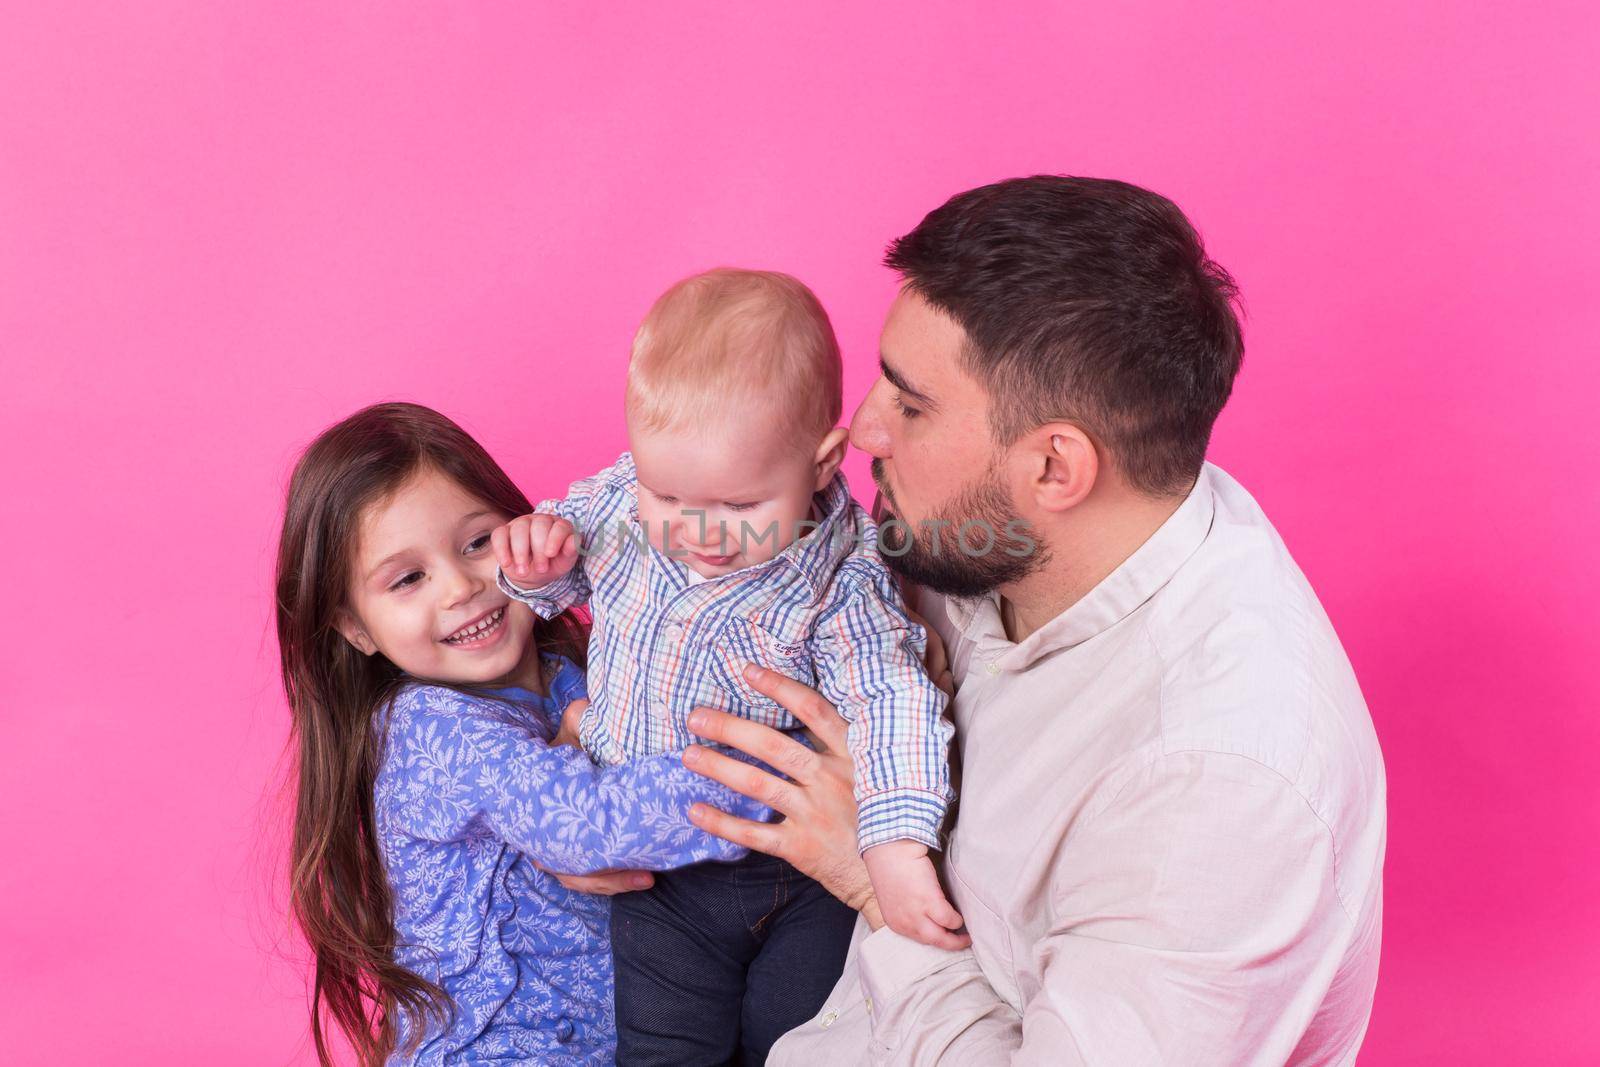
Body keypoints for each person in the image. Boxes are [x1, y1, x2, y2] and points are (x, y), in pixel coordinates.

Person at [672, 176, 1388, 1064]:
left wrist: (871, 879)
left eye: (911, 404)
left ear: (1057, 468)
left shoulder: (1218, 782)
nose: (863, 430)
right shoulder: (999, 535)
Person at [491, 268, 960, 1064]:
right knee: (663, 1048)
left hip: (797, 875)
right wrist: (535, 568)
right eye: (668, 496)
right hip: (660, 872)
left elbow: (895, 701)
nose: (698, 532)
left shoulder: (842, 580)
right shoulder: (622, 500)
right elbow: (565, 572)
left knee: (798, 1041)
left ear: (822, 462)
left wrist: (897, 847)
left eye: (740, 508)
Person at [274, 401, 770, 1066]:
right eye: (408, 578)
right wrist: (781, 771)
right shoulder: (430, 728)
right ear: (356, 627)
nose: (462, 586)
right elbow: (589, 823)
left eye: (478, 541)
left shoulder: (583, 673)